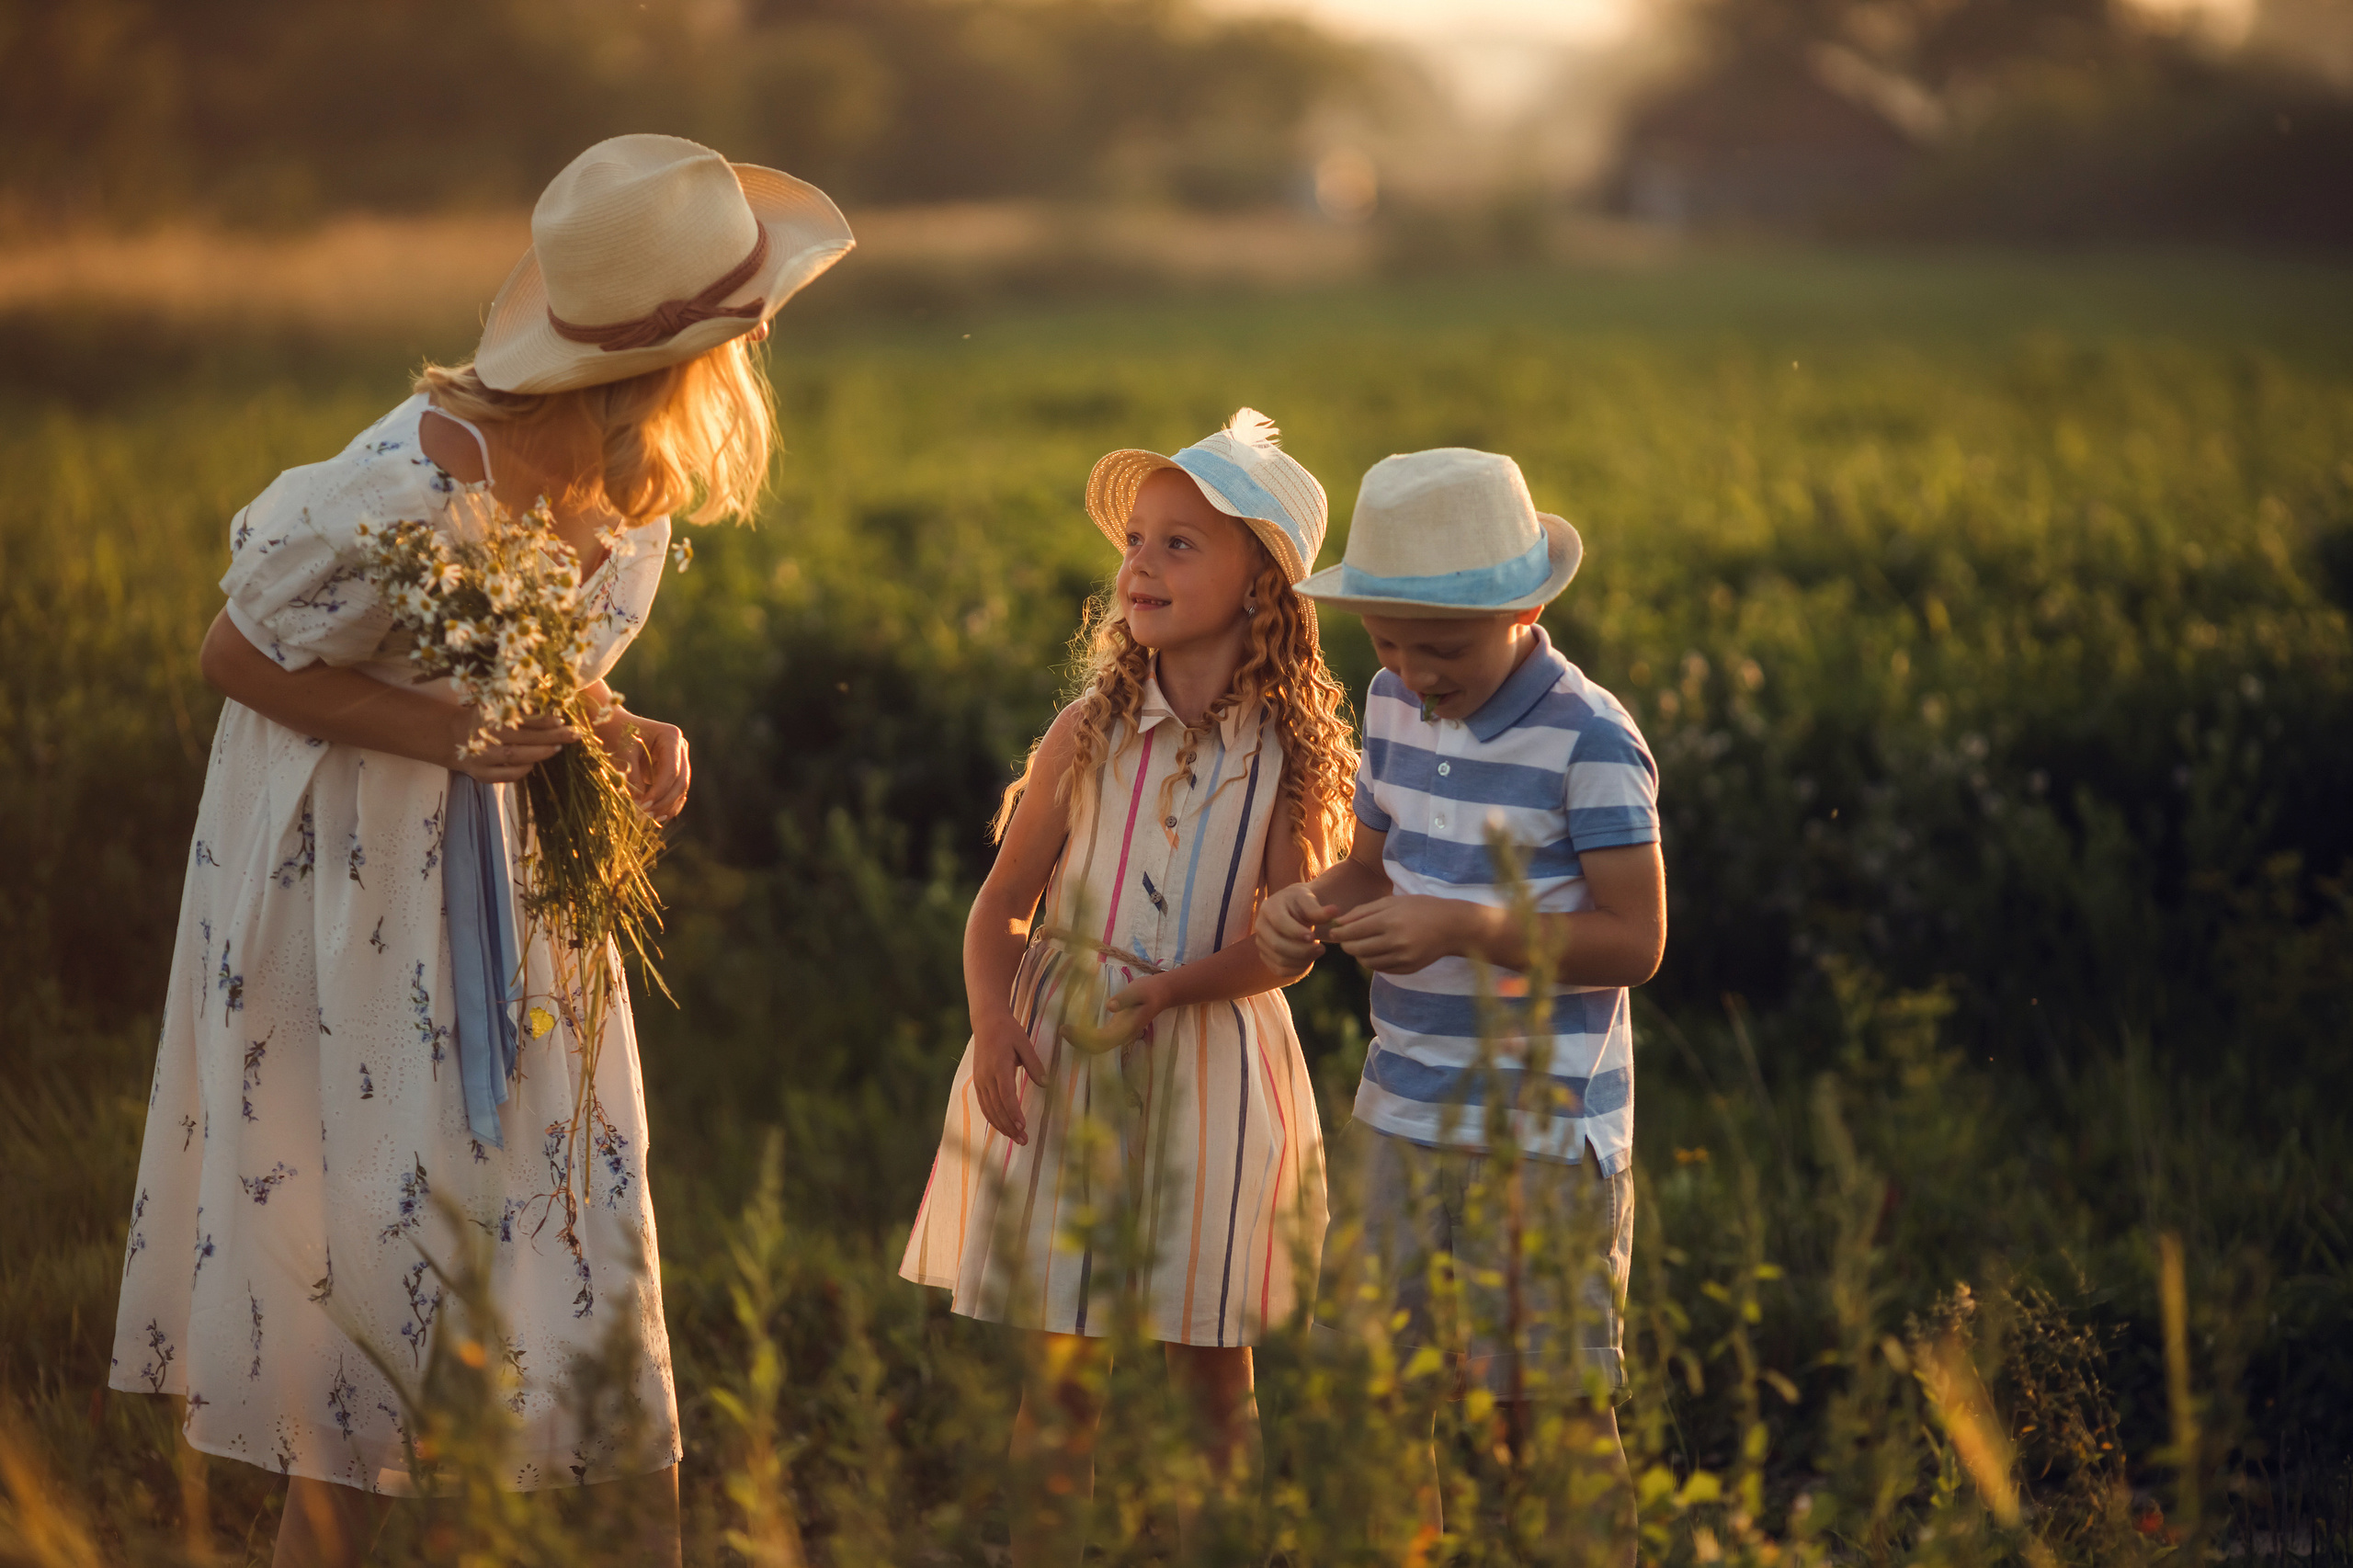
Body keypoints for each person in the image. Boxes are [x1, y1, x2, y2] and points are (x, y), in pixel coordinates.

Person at [107, 134, 852, 1567]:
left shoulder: (619, 464)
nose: (754, 352)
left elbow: (528, 661)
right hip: (356, 895)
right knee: (381, 1269)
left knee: (561, 1236)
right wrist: (444, 741)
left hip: (512, 882)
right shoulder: (389, 494)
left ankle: (601, 1512)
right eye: (739, 328)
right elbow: (234, 656)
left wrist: (617, 722)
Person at [901, 410, 1356, 1565]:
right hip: (1071, 1062)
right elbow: (1004, 901)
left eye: (1180, 544)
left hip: (1209, 1066)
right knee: (1061, 1375)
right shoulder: (1088, 727)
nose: (1140, 565)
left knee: (1212, 1372)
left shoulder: (1289, 758)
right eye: (1137, 540)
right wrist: (995, 1018)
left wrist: (1170, 989)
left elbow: (1281, 946)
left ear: (1263, 583)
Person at [1257, 448, 1665, 1562]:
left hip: (1538, 1129)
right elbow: (1372, 869)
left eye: (1438, 645)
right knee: (1378, 1386)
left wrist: (1465, 927)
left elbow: (1635, 940)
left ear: (1523, 608)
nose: (1409, 667)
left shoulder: (1590, 739)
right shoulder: (1391, 703)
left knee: (1547, 1407)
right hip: (1401, 1108)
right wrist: (1305, 903)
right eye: (1384, 640)